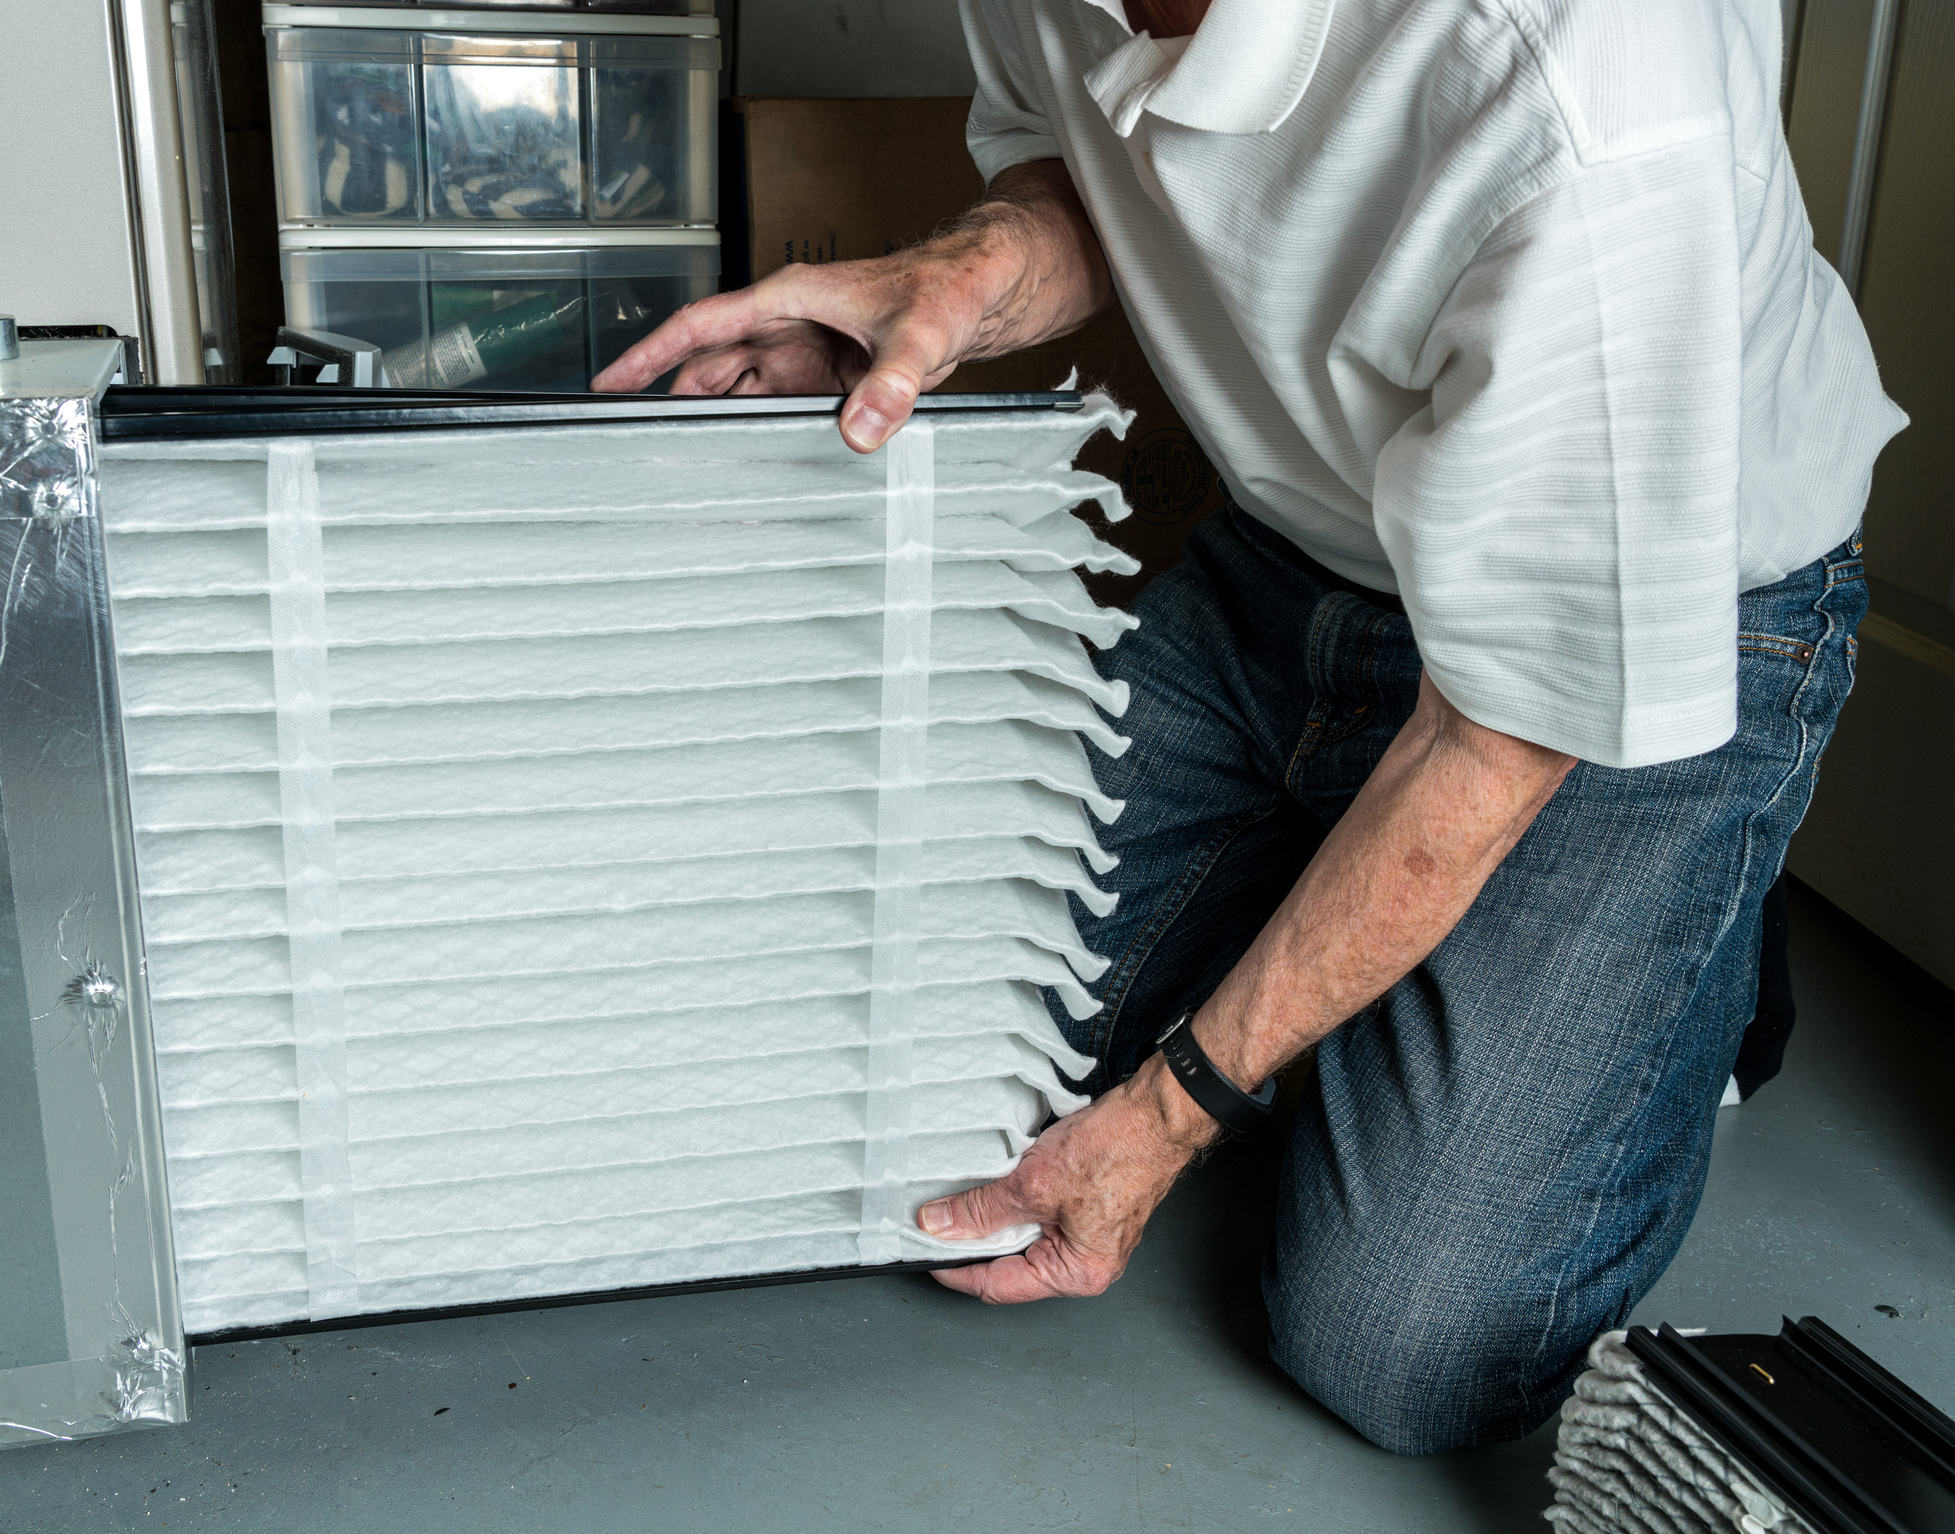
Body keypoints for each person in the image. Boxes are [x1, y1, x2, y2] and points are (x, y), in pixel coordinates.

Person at [594, 0, 1905, 1454]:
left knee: (1403, 1343)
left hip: (1643, 624)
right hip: (1293, 565)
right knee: (906, 1085)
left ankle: (1698, 904)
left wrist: (1174, 1108)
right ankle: (1376, 887)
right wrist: (961, 275)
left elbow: (1503, 733)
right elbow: (1095, 166)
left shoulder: (1583, 83)